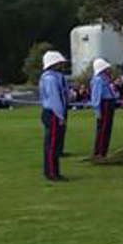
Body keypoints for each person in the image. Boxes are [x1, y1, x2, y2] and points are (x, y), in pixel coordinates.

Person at [39, 51, 70, 182]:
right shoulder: (50, 79)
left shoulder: (52, 77)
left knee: (54, 144)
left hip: (52, 112)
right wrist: (60, 116)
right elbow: (54, 99)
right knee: (52, 144)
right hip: (53, 113)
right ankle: (51, 172)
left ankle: (53, 171)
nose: (61, 65)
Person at [89, 58, 117, 159]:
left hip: (108, 103)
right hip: (104, 104)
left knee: (107, 128)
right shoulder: (98, 80)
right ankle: (99, 152)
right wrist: (97, 110)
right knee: (103, 129)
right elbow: (96, 96)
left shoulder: (105, 78)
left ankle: (103, 151)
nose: (109, 69)